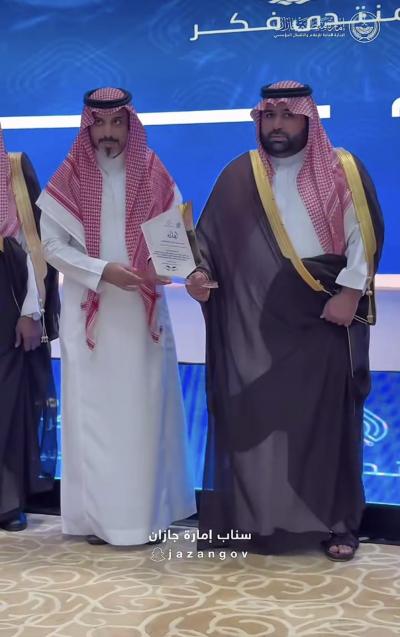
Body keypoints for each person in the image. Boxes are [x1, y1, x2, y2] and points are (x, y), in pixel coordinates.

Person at [187, 80, 384, 561]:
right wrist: (198, 275)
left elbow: (363, 235)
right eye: (268, 116)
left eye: (286, 116)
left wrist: (350, 292)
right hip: (264, 322)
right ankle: (257, 521)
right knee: (260, 419)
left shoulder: (342, 168)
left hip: (328, 316)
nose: (276, 126)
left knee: (328, 424)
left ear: (307, 119)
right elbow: (208, 241)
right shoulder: (241, 174)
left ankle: (338, 524)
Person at [37, 87, 196, 546]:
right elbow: (52, 247)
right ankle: (99, 520)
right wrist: (102, 271)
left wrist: (167, 268)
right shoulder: (68, 177)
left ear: (130, 125)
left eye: (117, 123)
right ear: (88, 126)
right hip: (92, 315)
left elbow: (175, 242)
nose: (108, 133)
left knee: (144, 417)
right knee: (96, 420)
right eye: (100, 124)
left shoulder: (154, 173)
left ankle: (146, 517)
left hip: (142, 316)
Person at [0, 127, 59, 532]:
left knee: (7, 407)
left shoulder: (14, 171)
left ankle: (6, 501)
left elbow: (32, 248)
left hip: (7, 298)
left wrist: (30, 312)